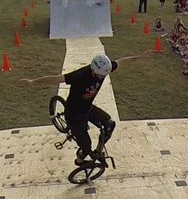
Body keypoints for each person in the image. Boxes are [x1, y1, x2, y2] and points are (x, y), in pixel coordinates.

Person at [19, 50, 150, 165]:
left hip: (87, 109)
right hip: (74, 115)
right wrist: (33, 82)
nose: (103, 77)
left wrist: (140, 57)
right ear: (93, 70)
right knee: (86, 147)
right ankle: (79, 161)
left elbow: (123, 61)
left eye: (105, 75)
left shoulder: (104, 68)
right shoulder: (80, 75)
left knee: (109, 125)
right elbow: (56, 79)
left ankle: (99, 151)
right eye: (101, 75)